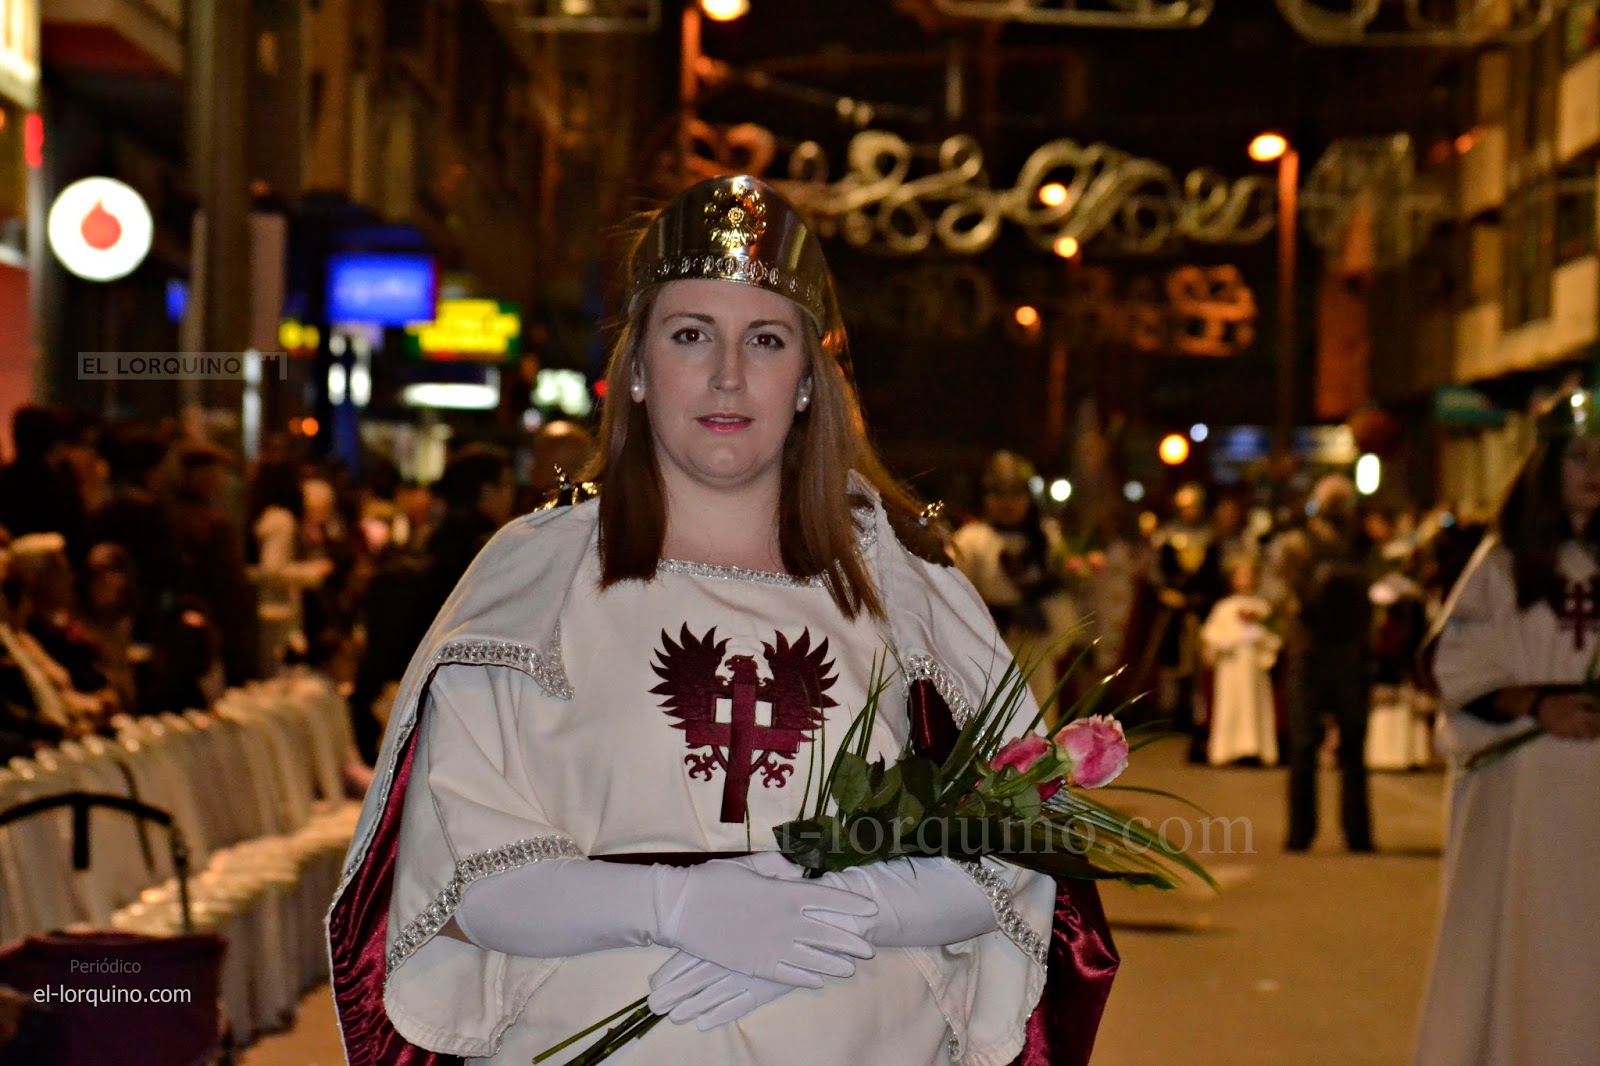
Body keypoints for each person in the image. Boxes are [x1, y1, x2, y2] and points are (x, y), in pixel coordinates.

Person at [328, 176, 1118, 1066]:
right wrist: (673, 907)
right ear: (635, 367)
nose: (728, 375)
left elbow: (1013, 843)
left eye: (767, 339)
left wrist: (836, 915)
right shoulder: (532, 579)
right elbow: (461, 874)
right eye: (691, 334)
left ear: (809, 380)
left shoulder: (907, 584)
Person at [1413, 390, 1600, 1064]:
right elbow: (1453, 666)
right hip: (1521, 799)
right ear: (1548, 467)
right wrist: (1537, 704)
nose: (1595, 471)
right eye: (1580, 456)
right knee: (1521, 947)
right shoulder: (1500, 566)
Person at [1262, 475, 1375, 851]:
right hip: (1321, 653)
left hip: (1323, 653)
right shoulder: (1328, 546)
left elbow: (1275, 592)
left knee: (1314, 747)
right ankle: (1344, 833)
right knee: (1326, 747)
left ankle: (1311, 832)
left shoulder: (1341, 545)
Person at [953, 450, 1081, 710]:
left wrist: (1046, 616)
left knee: (1036, 715)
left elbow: (1060, 596)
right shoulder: (970, 540)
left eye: (1015, 494)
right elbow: (955, 596)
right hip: (989, 650)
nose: (1007, 503)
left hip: (1035, 650)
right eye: (999, 494)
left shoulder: (1047, 539)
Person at [1201, 558, 1280, 766]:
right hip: (1231, 665)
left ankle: (1255, 748)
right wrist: (1230, 640)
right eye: (1241, 576)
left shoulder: (1262, 607)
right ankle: (1227, 750)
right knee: (1230, 706)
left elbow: (1275, 637)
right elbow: (1211, 634)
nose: (1246, 580)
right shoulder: (1225, 607)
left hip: (1254, 666)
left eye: (1249, 575)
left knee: (1254, 706)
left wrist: (1260, 636)